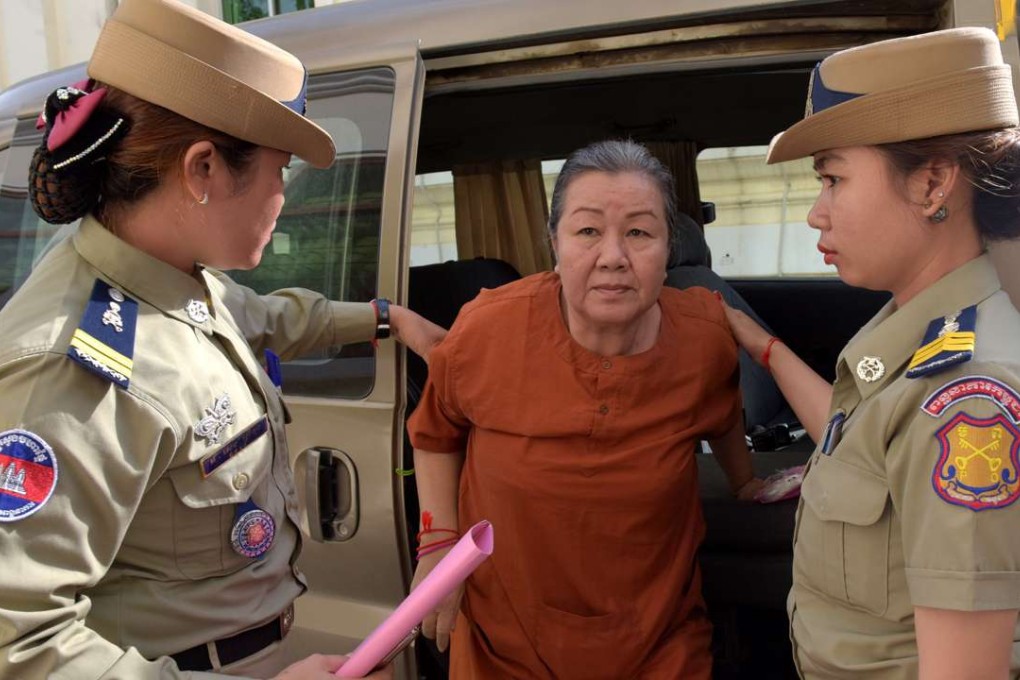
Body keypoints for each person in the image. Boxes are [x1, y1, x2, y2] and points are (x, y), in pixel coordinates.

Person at [0, 0, 444, 678]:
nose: (283, 195)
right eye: (279, 170)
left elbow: (264, 318)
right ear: (203, 169)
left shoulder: (173, 278)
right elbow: (21, 646)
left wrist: (389, 319)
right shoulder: (73, 365)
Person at [722, 27, 1020, 679]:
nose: (815, 214)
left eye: (833, 178)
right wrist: (762, 347)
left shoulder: (966, 391)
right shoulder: (923, 333)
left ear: (933, 183)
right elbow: (869, 443)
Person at [407, 139, 763, 679]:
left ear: (669, 247)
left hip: (658, 637)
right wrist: (437, 544)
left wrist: (745, 484)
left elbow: (724, 412)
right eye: (588, 230)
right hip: (507, 641)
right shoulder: (487, 328)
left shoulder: (701, 332)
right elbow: (436, 432)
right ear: (555, 242)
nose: (613, 256)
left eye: (640, 232)